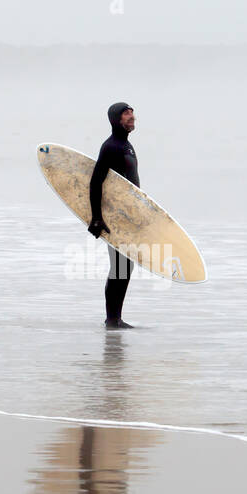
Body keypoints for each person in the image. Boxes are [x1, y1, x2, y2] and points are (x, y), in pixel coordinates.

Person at [88, 101, 139, 329]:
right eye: (126, 113)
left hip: (128, 216)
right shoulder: (110, 147)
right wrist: (96, 217)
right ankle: (112, 319)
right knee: (119, 267)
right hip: (115, 217)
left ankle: (115, 317)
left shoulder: (127, 146)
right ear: (115, 119)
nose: (132, 116)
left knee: (125, 267)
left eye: (132, 113)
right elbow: (96, 181)